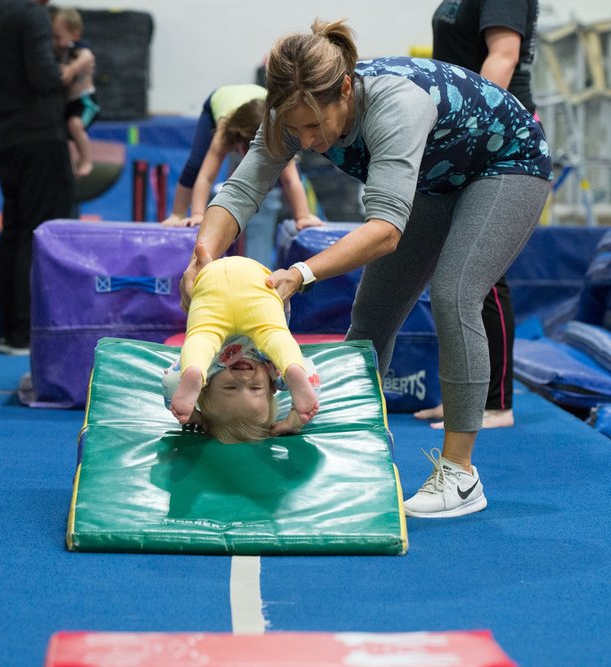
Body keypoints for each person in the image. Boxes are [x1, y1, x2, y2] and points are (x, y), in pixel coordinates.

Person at [180, 19, 551, 517]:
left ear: (345, 90)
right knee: (373, 311)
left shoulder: (395, 105)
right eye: (295, 128)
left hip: (506, 163)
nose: (307, 140)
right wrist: (202, 255)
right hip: (438, 176)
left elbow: (385, 232)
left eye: (315, 126)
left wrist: (301, 273)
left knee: (455, 293)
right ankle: (346, 437)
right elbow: (243, 189)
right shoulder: (290, 112)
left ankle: (461, 475)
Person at [413, 0, 540, 430]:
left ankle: (495, 403)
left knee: (481, 273)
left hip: (495, 138)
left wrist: (472, 128)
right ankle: (462, 397)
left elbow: (504, 55)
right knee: (453, 269)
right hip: (463, 134)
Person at [0, 0, 75, 355]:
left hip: (8, 137)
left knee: (14, 232)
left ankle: (10, 330)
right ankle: (29, 329)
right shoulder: (32, 14)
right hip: (40, 138)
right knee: (39, 232)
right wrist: (76, 66)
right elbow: (44, 77)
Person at [163, 249, 320, 444]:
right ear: (272, 387)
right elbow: (171, 381)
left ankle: (293, 368)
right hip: (255, 291)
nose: (244, 378)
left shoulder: (208, 368)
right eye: (255, 388)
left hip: (217, 289)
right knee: (274, 339)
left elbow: (311, 377)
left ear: (204, 387)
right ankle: (293, 368)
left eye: (230, 387)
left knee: (202, 341)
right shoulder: (275, 371)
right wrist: (295, 419)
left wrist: (195, 416)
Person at [162, 84, 322, 266]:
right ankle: (177, 213)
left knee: (287, 164)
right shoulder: (224, 132)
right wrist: (198, 214)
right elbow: (206, 177)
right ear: (237, 140)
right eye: (245, 150)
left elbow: (291, 180)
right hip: (221, 101)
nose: (246, 156)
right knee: (196, 163)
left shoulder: (278, 131)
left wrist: (303, 217)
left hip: (262, 112)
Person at [51, 7, 101, 177]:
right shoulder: (59, 52)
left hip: (86, 102)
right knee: (62, 131)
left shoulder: (78, 47)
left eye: (58, 37)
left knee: (75, 125)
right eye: (53, 37)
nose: (55, 42)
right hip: (69, 104)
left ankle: (87, 160)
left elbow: (88, 57)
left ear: (75, 35)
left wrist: (72, 69)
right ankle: (70, 163)